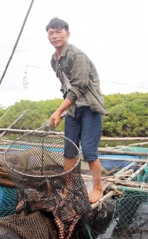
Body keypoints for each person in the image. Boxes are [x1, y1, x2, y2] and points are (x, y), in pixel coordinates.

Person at [46, 18, 108, 203]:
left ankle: (98, 187)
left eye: (59, 32)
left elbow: (79, 86)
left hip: (90, 108)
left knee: (89, 151)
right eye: (51, 32)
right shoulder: (53, 59)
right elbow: (65, 87)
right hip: (73, 110)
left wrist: (58, 111)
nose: (55, 36)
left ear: (67, 34)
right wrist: (64, 111)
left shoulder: (77, 56)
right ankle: (70, 188)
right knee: (69, 152)